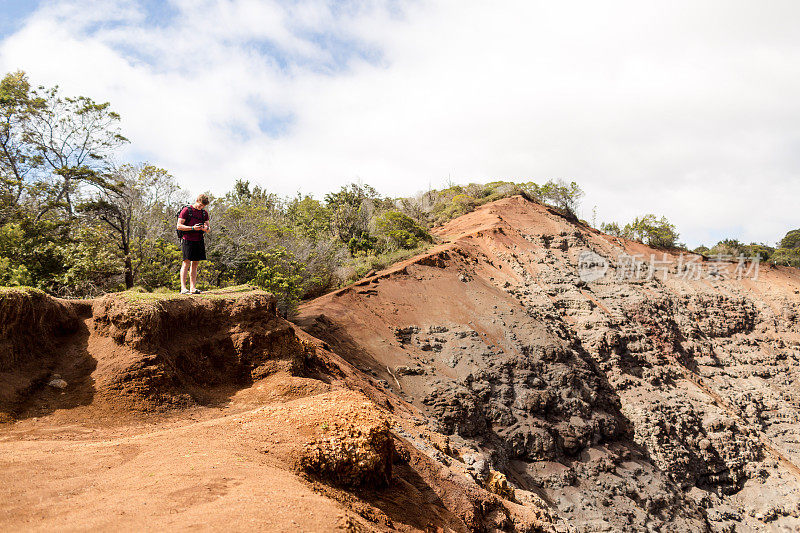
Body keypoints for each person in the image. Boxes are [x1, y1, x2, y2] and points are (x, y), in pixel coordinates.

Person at [177, 194, 210, 294]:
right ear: (196, 201)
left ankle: (192, 288)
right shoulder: (187, 210)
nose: (201, 207)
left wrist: (205, 228)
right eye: (200, 205)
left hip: (199, 239)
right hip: (187, 239)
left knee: (195, 263)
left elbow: (208, 229)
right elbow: (179, 226)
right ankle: (183, 288)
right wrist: (192, 228)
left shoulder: (204, 213)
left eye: (203, 206)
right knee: (186, 262)